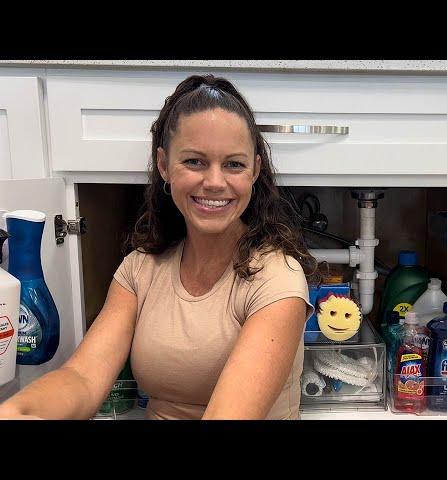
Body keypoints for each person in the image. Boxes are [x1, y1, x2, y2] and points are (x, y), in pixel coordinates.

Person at [0, 74, 317, 420]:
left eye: (234, 164)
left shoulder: (276, 279)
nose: (214, 181)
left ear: (254, 171)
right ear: (165, 165)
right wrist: (17, 410)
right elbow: (82, 377)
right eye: (195, 161)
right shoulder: (141, 269)